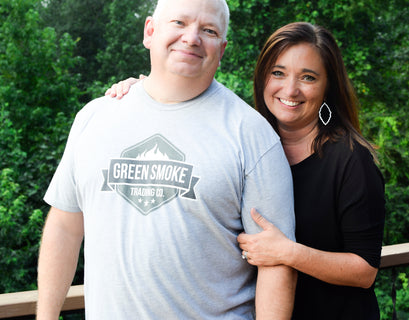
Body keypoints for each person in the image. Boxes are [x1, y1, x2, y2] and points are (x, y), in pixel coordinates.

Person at [36, 0, 297, 319]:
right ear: (150, 31)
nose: (191, 38)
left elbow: (277, 263)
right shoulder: (94, 117)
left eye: (209, 30)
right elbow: (64, 226)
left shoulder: (252, 134)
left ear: (222, 49)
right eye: (179, 23)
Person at [108, 22, 386, 319]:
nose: (290, 90)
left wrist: (288, 252)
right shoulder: (247, 142)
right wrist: (148, 92)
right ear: (262, 77)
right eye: (278, 73)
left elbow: (364, 270)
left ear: (328, 86)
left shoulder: (351, 160)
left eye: (308, 77)